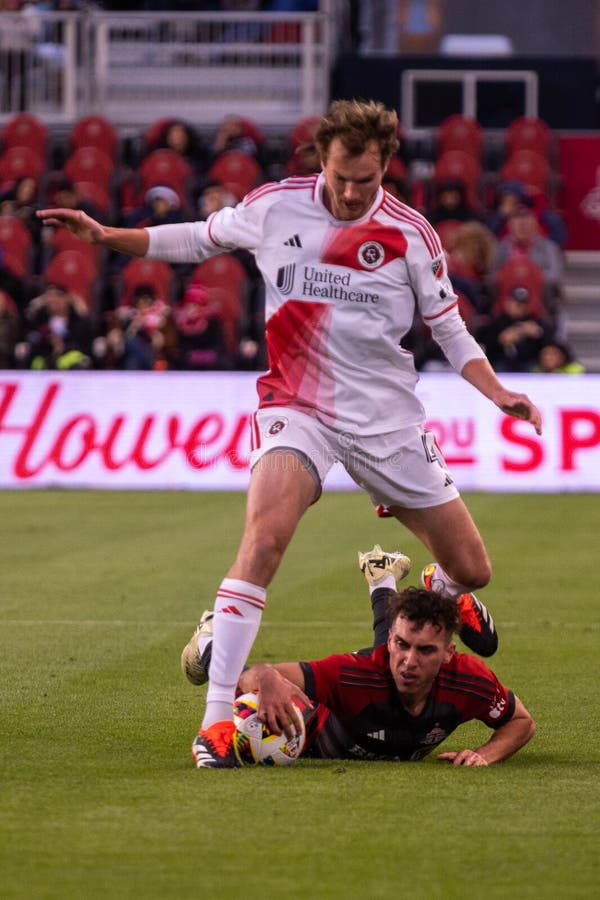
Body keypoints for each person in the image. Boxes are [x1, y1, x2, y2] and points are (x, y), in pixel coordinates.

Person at [37, 99, 542, 768]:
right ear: (322, 162)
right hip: (297, 406)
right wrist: (109, 237)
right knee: (266, 539)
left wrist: (500, 392)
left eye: (366, 179)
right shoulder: (277, 207)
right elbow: (196, 238)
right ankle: (216, 723)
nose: (352, 192)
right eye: (341, 177)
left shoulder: (410, 234)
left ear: (385, 166)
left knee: (471, 567)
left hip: (387, 419)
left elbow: (450, 331)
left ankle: (444, 590)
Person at [184, 547, 535, 767]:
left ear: (448, 654)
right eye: (403, 646)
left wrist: (484, 755)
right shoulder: (350, 675)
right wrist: (265, 677)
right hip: (314, 731)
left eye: (427, 650)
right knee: (381, 659)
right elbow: (260, 673)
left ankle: (397, 580)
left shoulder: (468, 680)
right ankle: (210, 642)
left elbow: (521, 722)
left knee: (392, 657)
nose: (410, 660)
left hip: (383, 675)